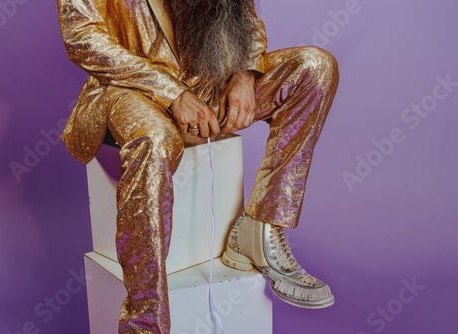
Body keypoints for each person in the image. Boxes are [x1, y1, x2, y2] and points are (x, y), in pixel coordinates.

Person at [58, 0, 339, 332]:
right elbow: (83, 38)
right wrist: (173, 93)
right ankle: (144, 323)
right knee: (154, 138)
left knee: (315, 67)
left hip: (209, 87)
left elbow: (243, 15)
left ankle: (259, 228)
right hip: (131, 90)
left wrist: (244, 75)